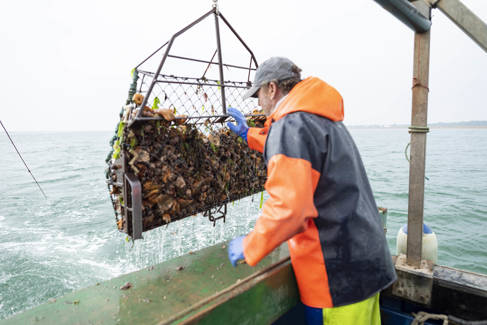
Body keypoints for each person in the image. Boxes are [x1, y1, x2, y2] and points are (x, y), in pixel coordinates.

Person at [226, 57, 396, 325]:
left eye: (258, 94)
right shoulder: (320, 118)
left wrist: (250, 246)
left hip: (337, 279)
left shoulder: (291, 125)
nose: (258, 103)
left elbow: (290, 209)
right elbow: (302, 153)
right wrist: (249, 135)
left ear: (272, 89)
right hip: (366, 262)